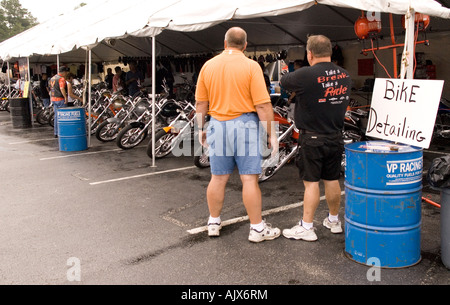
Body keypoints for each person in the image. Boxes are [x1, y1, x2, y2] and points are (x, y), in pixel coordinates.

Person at [195, 27, 280, 243]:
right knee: (249, 178)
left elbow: (200, 103)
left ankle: (213, 222)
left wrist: (200, 128)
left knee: (218, 177)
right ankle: (257, 229)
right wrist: (272, 135)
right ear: (245, 45)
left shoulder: (208, 66)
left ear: (224, 43)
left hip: (218, 124)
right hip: (245, 125)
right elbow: (262, 105)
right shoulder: (251, 66)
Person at [280, 35, 352, 241]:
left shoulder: (305, 75)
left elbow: (285, 81)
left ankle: (307, 226)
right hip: (335, 136)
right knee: (332, 179)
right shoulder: (345, 75)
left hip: (312, 138)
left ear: (309, 54)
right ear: (330, 52)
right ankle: (333, 220)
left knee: (311, 183)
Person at [50, 66, 69, 138]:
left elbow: (51, 89)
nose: (66, 74)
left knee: (56, 116)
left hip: (54, 98)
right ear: (63, 72)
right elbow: (62, 88)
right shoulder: (61, 79)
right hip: (60, 99)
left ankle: (56, 132)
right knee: (63, 116)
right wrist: (65, 97)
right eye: (66, 72)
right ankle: (63, 132)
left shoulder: (52, 78)